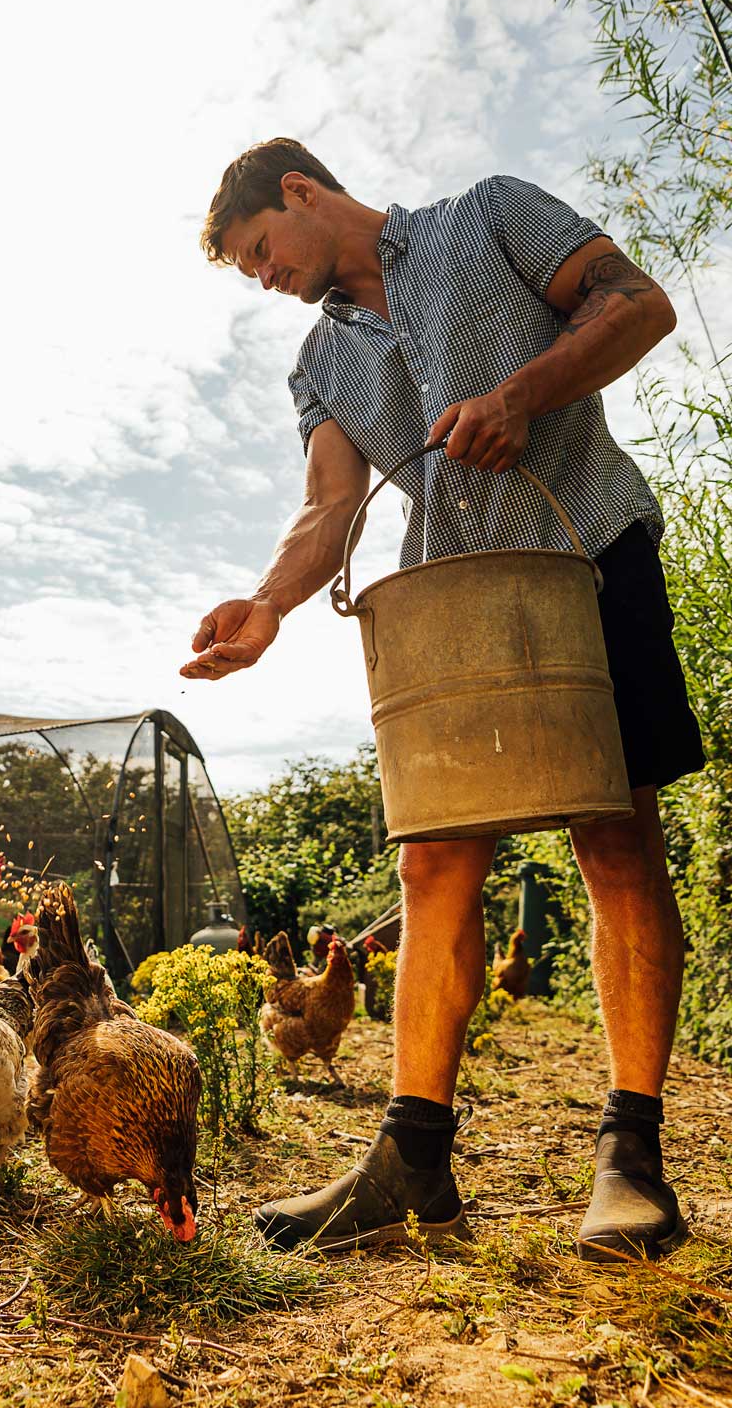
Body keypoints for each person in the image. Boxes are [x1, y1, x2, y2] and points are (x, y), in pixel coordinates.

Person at [182, 138, 705, 1261]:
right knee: (431, 864)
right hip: (455, 605)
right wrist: (270, 604)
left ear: (302, 192)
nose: (266, 279)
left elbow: (638, 304)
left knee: (615, 839)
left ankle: (632, 1157)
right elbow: (329, 506)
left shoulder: (491, 214)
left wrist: (521, 395)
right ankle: (411, 1158)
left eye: (262, 252)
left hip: (589, 550)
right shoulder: (321, 360)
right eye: (249, 272)